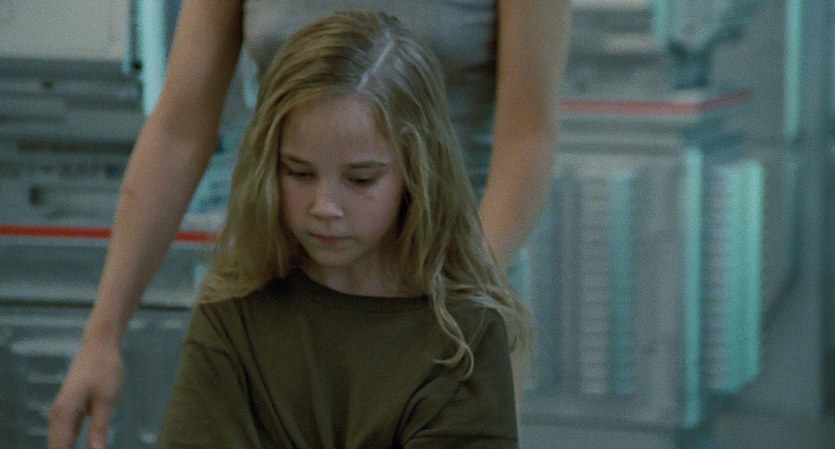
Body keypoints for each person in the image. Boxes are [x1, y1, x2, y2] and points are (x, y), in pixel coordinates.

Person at [48, 1, 570, 448]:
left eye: (361, 178)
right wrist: (103, 335)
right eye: (298, 172)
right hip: (277, 272)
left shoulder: (466, 337)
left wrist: (451, 292)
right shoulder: (235, 320)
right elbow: (180, 127)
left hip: (451, 277)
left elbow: (528, 137)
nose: (327, 206)